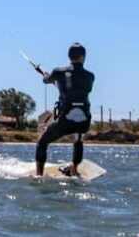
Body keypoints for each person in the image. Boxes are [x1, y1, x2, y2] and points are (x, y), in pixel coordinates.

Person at [35, 42, 95, 177]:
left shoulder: (58, 72)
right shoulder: (91, 76)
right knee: (78, 140)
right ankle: (74, 170)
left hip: (66, 121)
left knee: (42, 143)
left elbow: (46, 80)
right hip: (84, 121)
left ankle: (39, 175)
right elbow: (80, 88)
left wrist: (44, 73)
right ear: (83, 57)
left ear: (69, 56)